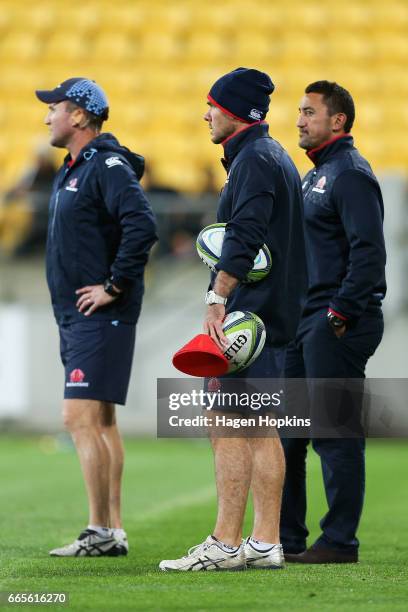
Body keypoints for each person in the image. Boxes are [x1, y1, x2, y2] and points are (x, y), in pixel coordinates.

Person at [159, 68, 307, 571]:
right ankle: (265, 543)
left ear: (238, 112)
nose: (205, 113)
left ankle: (225, 544)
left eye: (212, 105)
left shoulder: (253, 162)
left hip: (249, 320)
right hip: (273, 321)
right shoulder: (273, 157)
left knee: (225, 423)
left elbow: (244, 235)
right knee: (261, 428)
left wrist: (217, 297)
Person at [35, 78, 157, 556]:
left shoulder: (104, 165)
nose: (47, 117)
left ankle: (99, 530)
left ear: (80, 116)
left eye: (55, 108)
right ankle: (112, 530)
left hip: (98, 314)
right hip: (77, 314)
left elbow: (143, 223)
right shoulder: (75, 167)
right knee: (101, 422)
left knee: (79, 417)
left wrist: (114, 286)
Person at [281, 81, 386, 563]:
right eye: (299, 112)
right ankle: (286, 538)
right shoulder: (316, 176)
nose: (299, 120)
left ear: (337, 120)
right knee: (291, 434)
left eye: (308, 112)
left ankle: (340, 541)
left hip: (335, 321)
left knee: (333, 431)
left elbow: (369, 253)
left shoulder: (349, 174)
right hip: (308, 320)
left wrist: (340, 312)